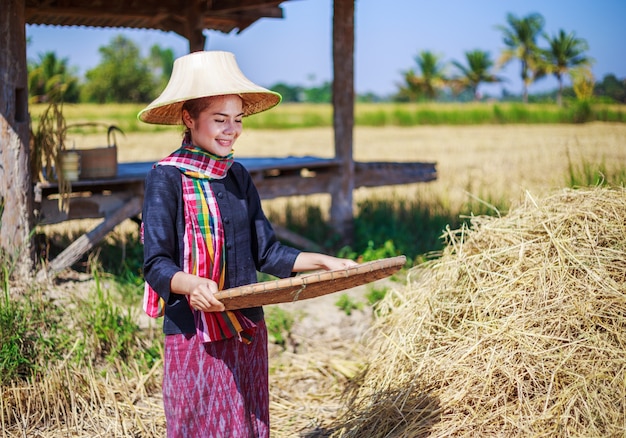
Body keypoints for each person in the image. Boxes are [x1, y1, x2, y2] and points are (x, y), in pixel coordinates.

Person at [138, 50, 357, 437]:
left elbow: (267, 252)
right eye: (220, 119)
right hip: (196, 332)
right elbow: (156, 263)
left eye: (237, 120)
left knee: (248, 426)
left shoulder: (237, 176)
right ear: (189, 119)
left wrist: (323, 262)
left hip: (246, 326)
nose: (231, 130)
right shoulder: (165, 179)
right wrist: (190, 285)